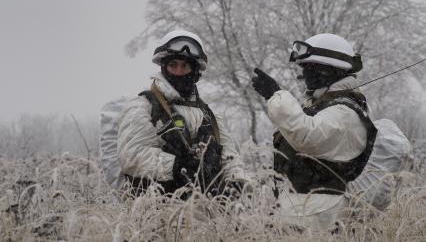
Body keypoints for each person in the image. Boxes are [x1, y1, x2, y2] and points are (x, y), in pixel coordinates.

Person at [251, 33, 377, 229]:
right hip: (302, 212)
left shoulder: (345, 111)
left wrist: (275, 95)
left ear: (330, 69)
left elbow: (306, 136)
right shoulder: (323, 106)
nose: (304, 74)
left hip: (319, 216)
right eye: (303, 68)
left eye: (310, 67)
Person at [117, 30, 247, 197]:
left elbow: (229, 156)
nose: (178, 71)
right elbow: (131, 155)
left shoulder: (209, 115)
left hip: (210, 214)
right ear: (164, 67)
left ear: (195, 71)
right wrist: (176, 166)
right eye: (173, 65)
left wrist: (237, 183)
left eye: (184, 66)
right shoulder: (142, 107)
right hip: (155, 214)